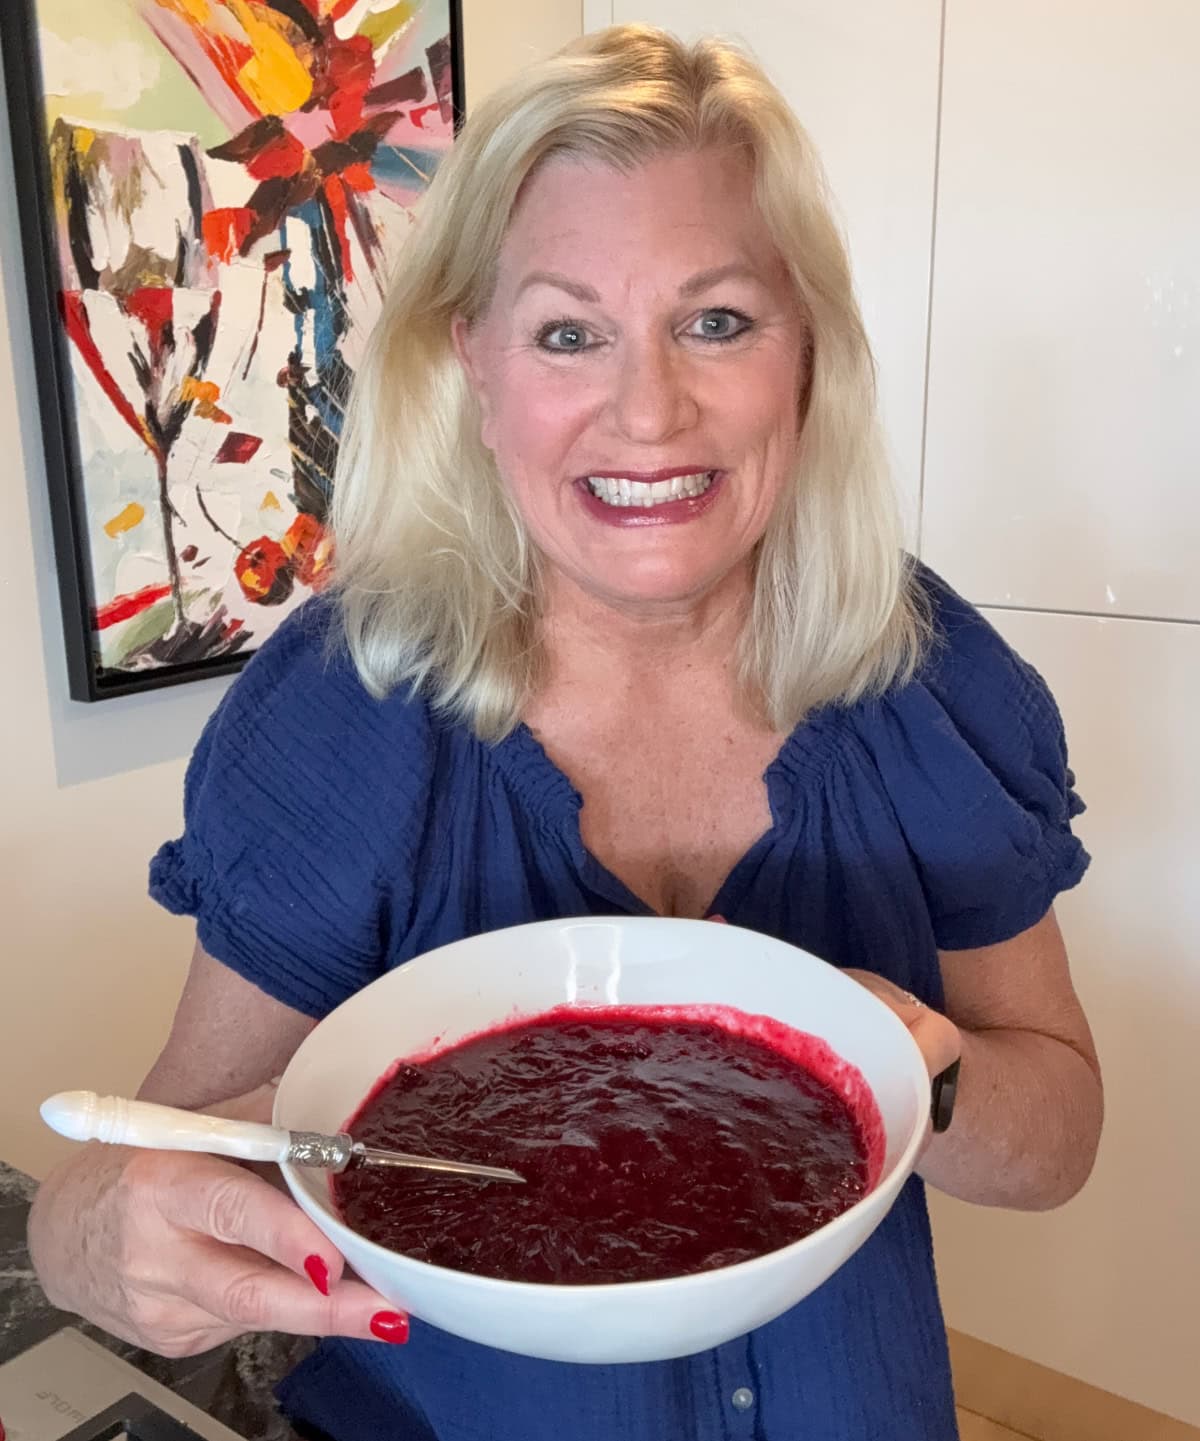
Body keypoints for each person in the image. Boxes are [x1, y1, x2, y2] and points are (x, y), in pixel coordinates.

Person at [28, 23, 1103, 1441]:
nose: (648, 409)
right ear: (473, 357)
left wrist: (922, 1059)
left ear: (807, 354)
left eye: (716, 320)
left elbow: (1059, 1134)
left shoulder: (929, 681)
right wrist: (104, 1240)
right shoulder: (340, 724)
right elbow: (150, 1169)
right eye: (568, 331)